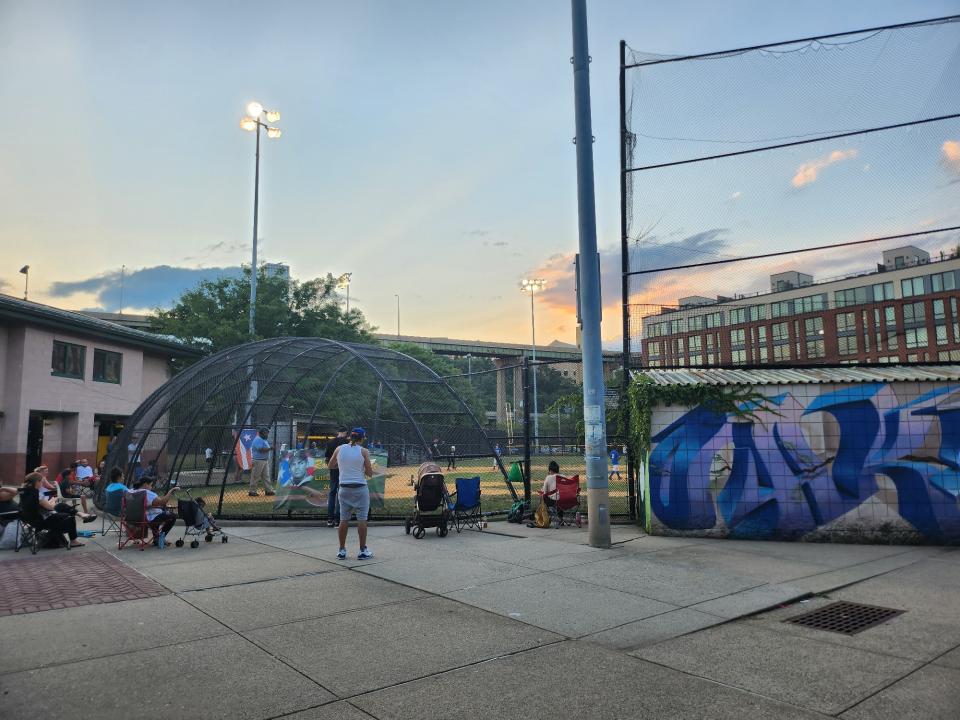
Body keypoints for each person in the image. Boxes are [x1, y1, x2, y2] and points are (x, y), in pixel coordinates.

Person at [328, 427, 374, 560]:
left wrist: (343, 467)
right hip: (360, 488)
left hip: (344, 488)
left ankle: (342, 550)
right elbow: (369, 473)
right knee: (362, 519)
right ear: (362, 438)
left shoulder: (339, 449)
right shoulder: (364, 451)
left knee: (343, 519)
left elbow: (331, 465)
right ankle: (362, 550)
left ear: (350, 437)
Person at [20, 472, 85, 547]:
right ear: (37, 482)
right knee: (70, 517)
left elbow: (40, 505)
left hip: (30, 519)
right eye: (41, 482)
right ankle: (73, 541)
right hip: (42, 520)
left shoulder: (24, 491)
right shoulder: (36, 493)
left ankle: (80, 514)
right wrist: (53, 501)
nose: (42, 484)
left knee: (61, 505)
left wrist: (50, 502)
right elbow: (51, 508)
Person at [134, 476, 180, 545]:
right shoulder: (146, 493)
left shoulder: (132, 491)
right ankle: (160, 538)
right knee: (172, 516)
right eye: (151, 485)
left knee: (158, 513)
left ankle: (156, 538)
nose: (151, 487)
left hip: (134, 519)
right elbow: (162, 502)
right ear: (145, 484)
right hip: (148, 519)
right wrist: (170, 491)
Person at [324, 427, 349, 527]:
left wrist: (331, 466)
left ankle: (330, 518)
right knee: (341, 493)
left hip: (333, 468)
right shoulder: (348, 442)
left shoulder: (330, 442)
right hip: (344, 468)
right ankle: (338, 519)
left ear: (338, 432)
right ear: (346, 433)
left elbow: (327, 458)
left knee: (332, 492)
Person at [249, 427, 276, 497]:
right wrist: (270, 448)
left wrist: (270, 448)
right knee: (255, 476)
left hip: (264, 460)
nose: (267, 435)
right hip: (258, 460)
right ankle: (252, 491)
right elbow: (260, 449)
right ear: (261, 433)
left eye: (267, 433)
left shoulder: (264, 440)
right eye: (266, 433)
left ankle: (268, 491)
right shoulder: (258, 439)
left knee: (266, 476)